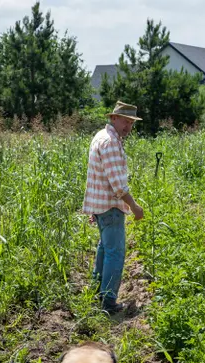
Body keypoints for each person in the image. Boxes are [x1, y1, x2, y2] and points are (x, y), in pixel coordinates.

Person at [83, 100, 145, 314]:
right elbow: (117, 185)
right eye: (125, 121)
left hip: (101, 206)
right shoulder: (110, 143)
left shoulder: (101, 136)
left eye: (132, 123)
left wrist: (94, 209)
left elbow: (97, 176)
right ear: (114, 118)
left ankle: (97, 290)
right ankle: (108, 301)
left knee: (104, 249)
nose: (128, 126)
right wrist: (134, 207)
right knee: (115, 253)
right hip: (110, 207)